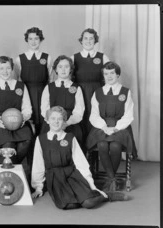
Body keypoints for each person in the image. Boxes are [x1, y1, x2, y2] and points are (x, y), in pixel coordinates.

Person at [31, 106, 128, 210]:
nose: (56, 122)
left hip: (72, 174)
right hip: (55, 177)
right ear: (47, 120)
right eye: (53, 118)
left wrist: (91, 184)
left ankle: (107, 196)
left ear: (64, 121)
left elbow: (80, 162)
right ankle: (84, 196)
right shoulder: (41, 139)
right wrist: (38, 187)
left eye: (60, 119)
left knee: (88, 203)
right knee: (68, 205)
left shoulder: (70, 138)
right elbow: (38, 164)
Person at [86, 61, 137, 192]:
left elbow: (128, 115)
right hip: (101, 126)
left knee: (115, 146)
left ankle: (110, 179)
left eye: (112, 73)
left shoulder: (125, 92)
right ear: (103, 76)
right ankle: (112, 178)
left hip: (120, 127)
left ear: (118, 74)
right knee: (102, 145)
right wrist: (104, 127)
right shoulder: (98, 92)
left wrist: (116, 128)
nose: (109, 76)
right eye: (106, 74)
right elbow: (94, 115)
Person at [0, 56, 33, 166]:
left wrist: (23, 118)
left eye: (8, 68)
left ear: (12, 69)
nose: (5, 71)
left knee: (27, 140)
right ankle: (8, 171)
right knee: (9, 143)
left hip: (17, 120)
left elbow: (27, 108)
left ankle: (12, 165)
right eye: (2, 68)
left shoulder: (21, 86)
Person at [71, 28, 110, 151]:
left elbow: (109, 79)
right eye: (85, 38)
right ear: (81, 41)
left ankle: (95, 155)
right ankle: (81, 154)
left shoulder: (103, 57)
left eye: (91, 38)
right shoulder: (74, 58)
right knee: (80, 121)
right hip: (79, 93)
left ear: (95, 40)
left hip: (97, 92)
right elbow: (69, 78)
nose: (88, 41)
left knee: (96, 120)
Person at [40, 55, 84, 147]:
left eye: (66, 67)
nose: (63, 70)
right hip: (51, 123)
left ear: (71, 69)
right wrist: (54, 122)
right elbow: (44, 109)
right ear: (56, 69)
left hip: (70, 123)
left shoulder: (76, 88)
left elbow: (79, 111)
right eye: (60, 67)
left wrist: (67, 123)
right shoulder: (49, 87)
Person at [15, 27, 52, 135]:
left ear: (40, 40)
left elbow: (50, 78)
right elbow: (17, 78)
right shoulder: (20, 59)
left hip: (42, 92)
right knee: (27, 119)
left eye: (36, 38)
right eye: (30, 39)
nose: (33, 41)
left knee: (42, 118)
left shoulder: (47, 57)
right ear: (27, 40)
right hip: (25, 92)